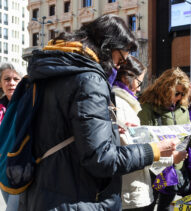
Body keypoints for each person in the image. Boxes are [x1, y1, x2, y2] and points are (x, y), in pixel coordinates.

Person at [19, 14, 177, 211]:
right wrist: (153, 150)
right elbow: (101, 158)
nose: (119, 67)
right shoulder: (89, 80)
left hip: (45, 191)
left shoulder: (53, 73)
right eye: (120, 60)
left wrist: (109, 130)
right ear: (107, 48)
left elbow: (68, 132)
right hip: (75, 199)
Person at [138, 67, 191, 211]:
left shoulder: (182, 111)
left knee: (166, 208)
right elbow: (143, 145)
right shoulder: (147, 109)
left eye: (182, 94)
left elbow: (190, 139)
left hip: (173, 173)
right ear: (164, 89)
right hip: (152, 173)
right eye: (176, 93)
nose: (178, 97)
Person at [112, 56, 182, 211]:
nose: (139, 88)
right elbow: (133, 153)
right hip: (130, 190)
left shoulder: (125, 102)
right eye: (139, 81)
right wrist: (170, 158)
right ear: (125, 78)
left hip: (132, 187)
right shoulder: (121, 104)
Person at [0, 62, 25, 211]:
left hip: (21, 171)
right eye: (7, 79)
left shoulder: (27, 105)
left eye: (16, 79)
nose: (11, 83)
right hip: (2, 172)